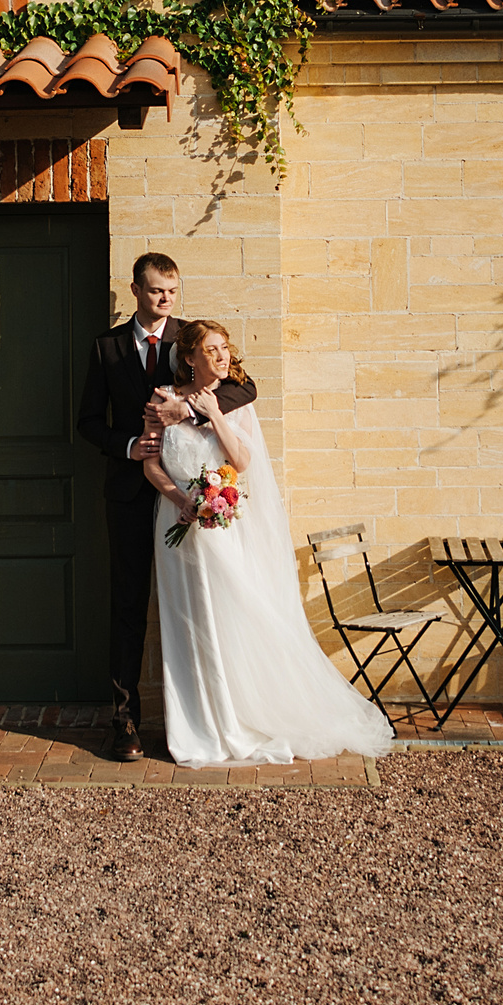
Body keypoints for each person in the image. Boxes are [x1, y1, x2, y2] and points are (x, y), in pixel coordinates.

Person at [142, 318, 395, 768]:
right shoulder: (162, 399)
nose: (223, 357)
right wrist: (179, 497)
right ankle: (196, 727)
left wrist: (214, 415)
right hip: (176, 528)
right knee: (186, 625)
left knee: (231, 618)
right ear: (189, 358)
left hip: (220, 530)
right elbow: (149, 462)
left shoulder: (235, 402)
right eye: (212, 350)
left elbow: (241, 460)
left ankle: (239, 717)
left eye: (225, 348)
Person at [75, 252, 255, 763]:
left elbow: (245, 385)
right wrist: (129, 446)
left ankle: (213, 713)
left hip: (191, 503)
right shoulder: (107, 346)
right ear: (135, 290)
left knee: (202, 605)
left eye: (172, 292)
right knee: (128, 605)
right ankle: (124, 720)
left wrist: (189, 408)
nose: (165, 299)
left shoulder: (190, 339)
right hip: (132, 495)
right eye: (156, 291)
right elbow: (88, 421)